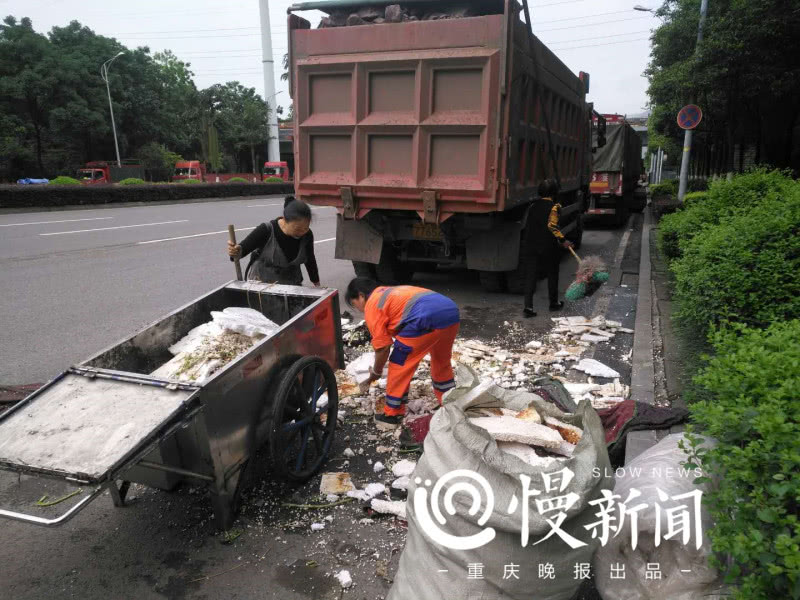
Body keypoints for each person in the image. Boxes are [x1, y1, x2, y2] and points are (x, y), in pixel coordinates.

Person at [345, 278, 460, 430]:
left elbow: (383, 348)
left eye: (354, 304)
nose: (358, 310)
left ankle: (392, 415)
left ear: (361, 295)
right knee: (441, 362)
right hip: (450, 312)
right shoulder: (390, 292)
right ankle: (450, 404)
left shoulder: (373, 303)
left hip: (424, 318)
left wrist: (376, 372)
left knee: (399, 363)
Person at [227, 196, 321, 286]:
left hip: (291, 285)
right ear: (284, 220)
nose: (302, 232)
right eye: (297, 229)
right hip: (262, 285)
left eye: (306, 228)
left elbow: (310, 260)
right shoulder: (266, 230)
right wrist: (235, 251)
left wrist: (316, 281)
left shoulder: (307, 235)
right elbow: (242, 250)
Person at [523, 179, 573, 317]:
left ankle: (528, 307)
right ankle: (553, 303)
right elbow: (552, 226)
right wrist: (563, 240)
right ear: (554, 192)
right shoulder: (555, 207)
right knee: (552, 273)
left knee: (531, 276)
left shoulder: (532, 206)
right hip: (547, 245)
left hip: (531, 244)